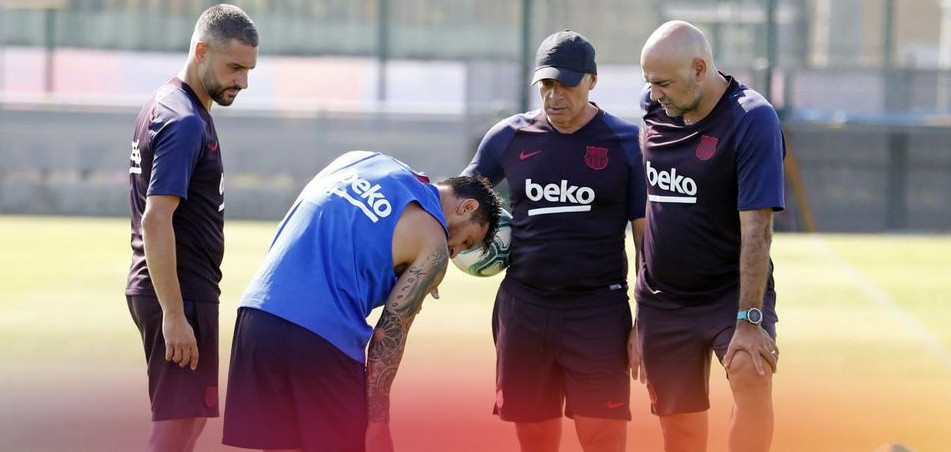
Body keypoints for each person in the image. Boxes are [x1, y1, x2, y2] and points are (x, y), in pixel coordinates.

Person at [221, 150, 503, 452]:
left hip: (257, 317)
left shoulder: (361, 158)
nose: (455, 252)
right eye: (466, 241)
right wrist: (378, 423)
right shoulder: (433, 242)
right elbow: (388, 337)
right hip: (322, 340)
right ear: (467, 207)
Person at [462, 30, 647, 452]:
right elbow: (460, 202)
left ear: (592, 81)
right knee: (535, 439)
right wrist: (434, 253)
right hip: (525, 310)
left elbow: (645, 241)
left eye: (565, 84)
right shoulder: (508, 137)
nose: (554, 95)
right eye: (546, 85)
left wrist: (645, 321)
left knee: (603, 438)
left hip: (598, 313)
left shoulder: (625, 144)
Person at [634, 20, 785, 452]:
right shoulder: (654, 107)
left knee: (750, 375)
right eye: (650, 83)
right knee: (680, 433)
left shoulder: (751, 119)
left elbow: (758, 227)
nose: (655, 93)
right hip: (664, 301)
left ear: (699, 68)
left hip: (728, 295)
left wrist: (750, 319)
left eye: (663, 82)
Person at [124, 4, 258, 451]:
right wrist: (176, 316)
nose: (243, 81)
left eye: (248, 69)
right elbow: (156, 218)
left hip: (185, 289)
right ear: (201, 51)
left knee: (191, 419)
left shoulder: (174, 104)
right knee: (177, 425)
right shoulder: (183, 121)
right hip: (179, 293)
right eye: (234, 67)